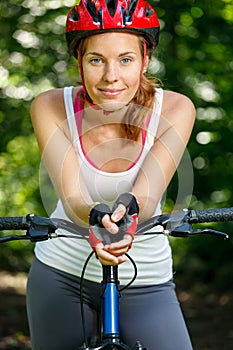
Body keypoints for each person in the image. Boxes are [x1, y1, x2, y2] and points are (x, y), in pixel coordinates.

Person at [26, 0, 196, 349]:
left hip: (146, 278)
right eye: (96, 60)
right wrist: (93, 217)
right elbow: (72, 194)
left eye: (126, 59)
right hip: (60, 273)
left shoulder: (177, 109)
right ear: (80, 62)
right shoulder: (49, 106)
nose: (111, 76)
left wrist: (128, 215)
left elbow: (147, 195)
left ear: (145, 60)